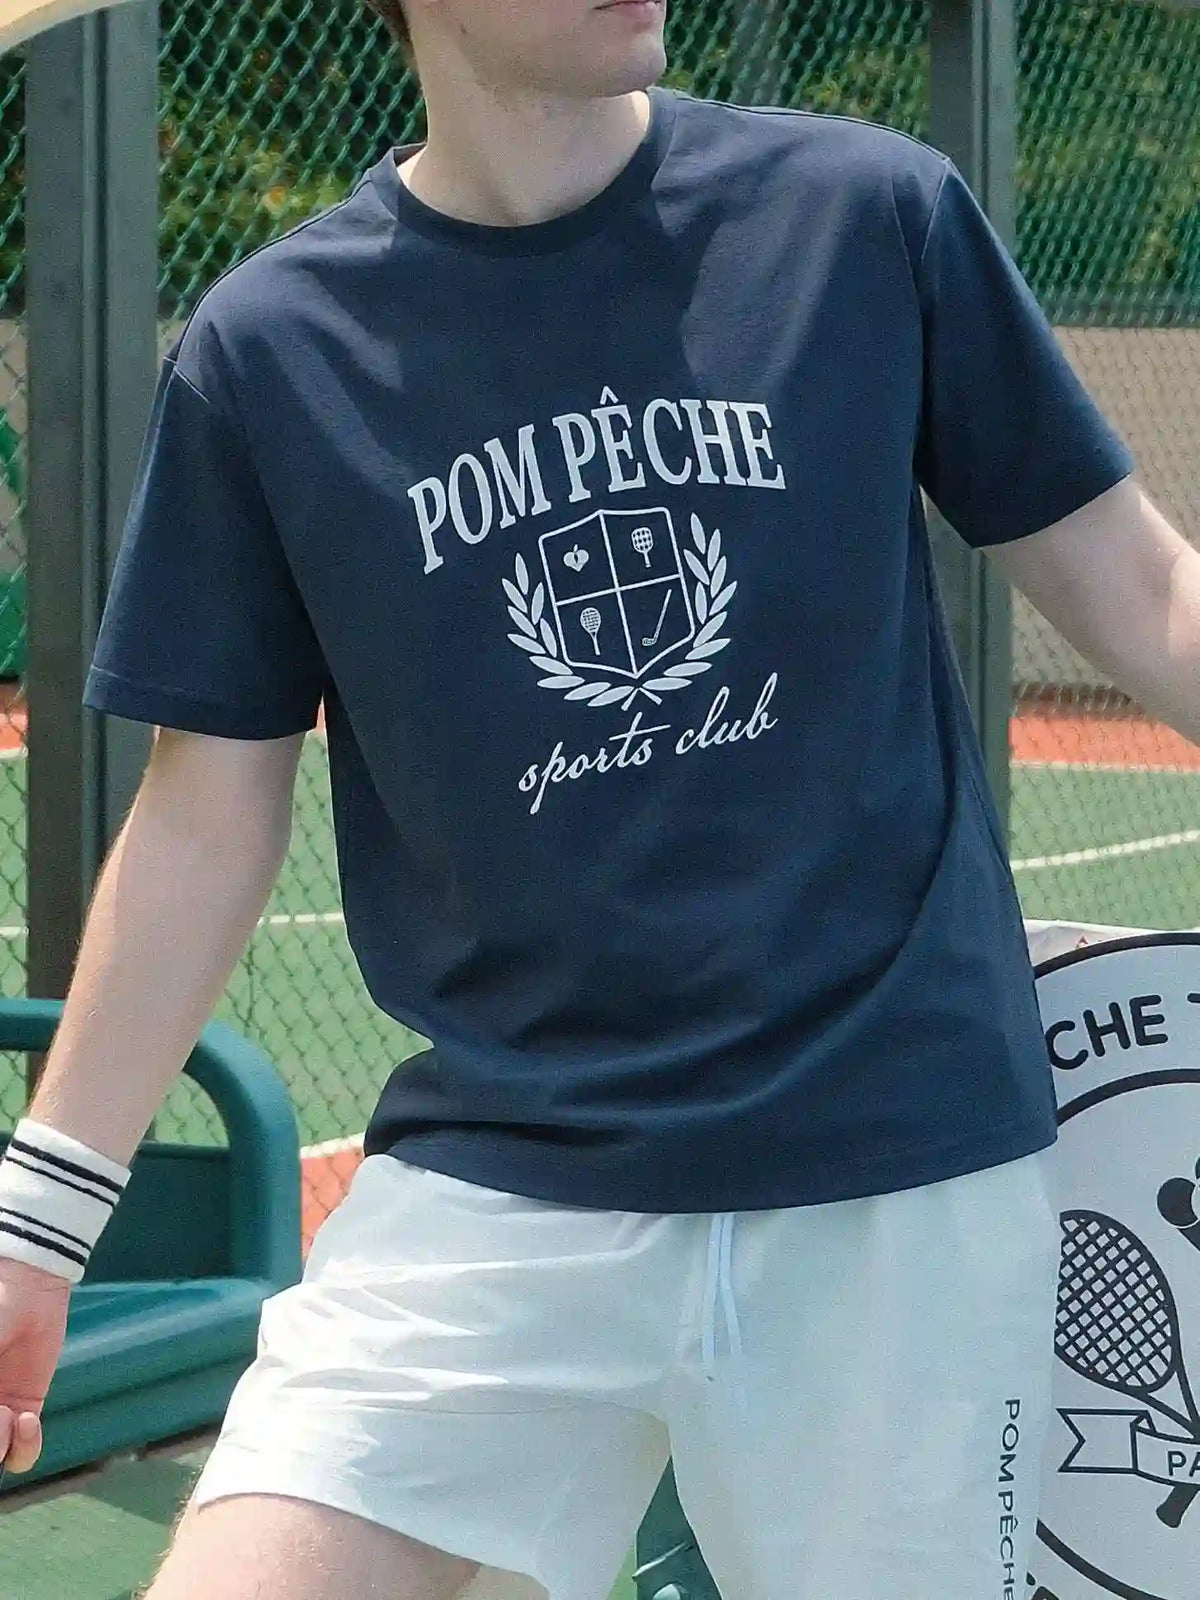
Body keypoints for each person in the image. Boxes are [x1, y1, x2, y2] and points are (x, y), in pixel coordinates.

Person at [0, 1, 1197, 1596]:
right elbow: (208, 812)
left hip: (889, 1169)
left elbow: (1138, 590)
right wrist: (41, 1212)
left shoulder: (864, 215)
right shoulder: (273, 348)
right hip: (505, 1176)